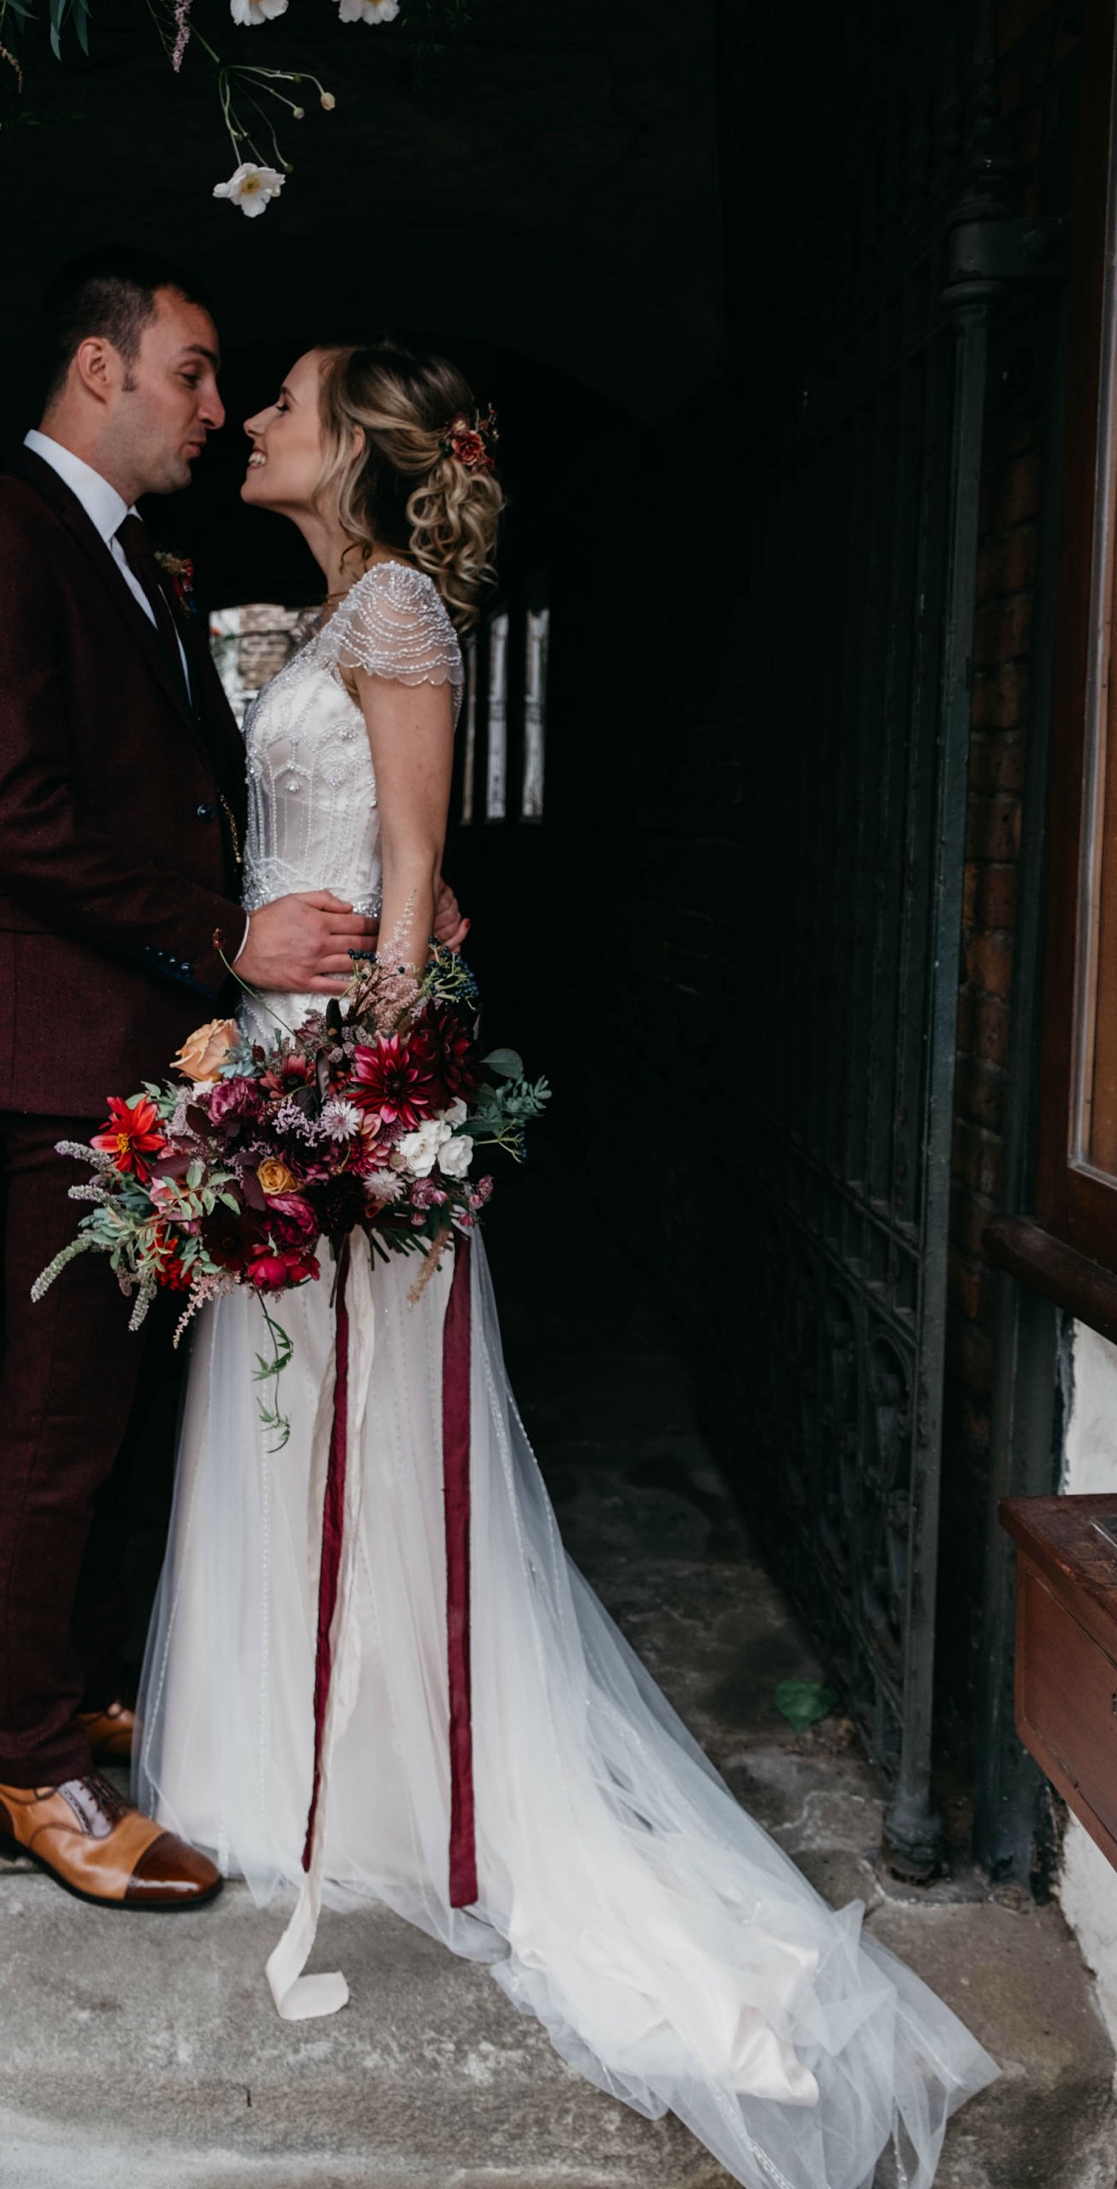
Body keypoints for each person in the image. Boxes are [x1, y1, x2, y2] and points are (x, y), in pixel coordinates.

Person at [138, 338, 999, 2188]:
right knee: (282, 1437)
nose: (255, 420)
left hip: (341, 1102)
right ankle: (281, 1755)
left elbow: (423, 916)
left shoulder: (396, 618)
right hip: (273, 1069)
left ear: (353, 451)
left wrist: (368, 1121)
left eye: (282, 397)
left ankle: (382, 1777)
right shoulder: (324, 612)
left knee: (360, 1439)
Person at [0, 251, 463, 1912]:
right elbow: (10, 814)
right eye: (198, 375)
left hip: (173, 1056)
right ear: (101, 368)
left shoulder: (134, 557)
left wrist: (389, 877)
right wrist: (228, 935)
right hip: (64, 1048)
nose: (219, 411)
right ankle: (28, 1764)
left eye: (240, 388)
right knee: (60, 1412)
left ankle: (73, 1689)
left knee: (119, 1405)